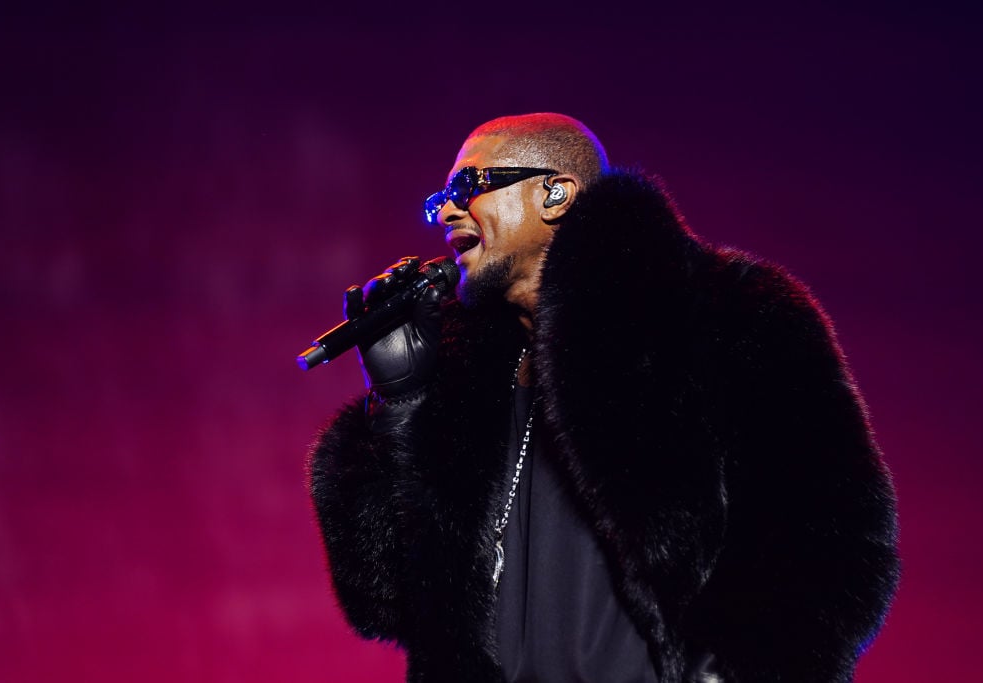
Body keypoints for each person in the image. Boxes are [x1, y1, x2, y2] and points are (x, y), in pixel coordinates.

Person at [305, 112, 901, 682]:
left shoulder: (726, 316)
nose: (448, 212)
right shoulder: (462, 375)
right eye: (441, 198)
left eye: (470, 185)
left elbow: (835, 543)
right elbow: (381, 601)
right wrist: (403, 403)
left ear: (555, 195)